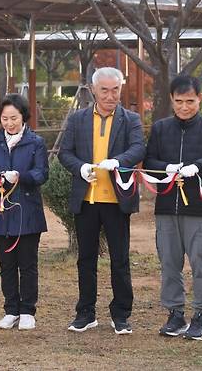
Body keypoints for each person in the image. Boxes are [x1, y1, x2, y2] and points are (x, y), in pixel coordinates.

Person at [58, 66, 146, 335]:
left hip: (116, 200)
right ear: (93, 90)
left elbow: (138, 147)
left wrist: (118, 161)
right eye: (104, 90)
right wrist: (80, 168)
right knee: (86, 259)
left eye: (115, 90)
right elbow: (65, 152)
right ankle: (85, 312)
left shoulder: (130, 119)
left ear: (121, 89)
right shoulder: (78, 119)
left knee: (119, 259)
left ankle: (121, 314)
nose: (110, 96)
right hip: (86, 199)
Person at [145, 75, 202, 341]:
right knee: (169, 263)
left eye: (190, 101)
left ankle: (201, 316)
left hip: (199, 208)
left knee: (200, 263)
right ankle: (175, 314)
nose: (184, 107)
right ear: (171, 99)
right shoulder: (160, 128)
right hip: (166, 208)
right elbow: (149, 159)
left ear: (200, 99)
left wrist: (199, 166)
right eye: (179, 101)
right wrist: (165, 168)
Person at [0, 94, 49, 331]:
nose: (9, 123)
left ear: (23, 117)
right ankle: (11, 309)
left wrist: (20, 176)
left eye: (14, 118)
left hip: (27, 210)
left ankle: (28, 310)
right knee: (6, 263)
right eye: (4, 119)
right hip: (0, 210)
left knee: (27, 263)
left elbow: (41, 173)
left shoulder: (35, 142)